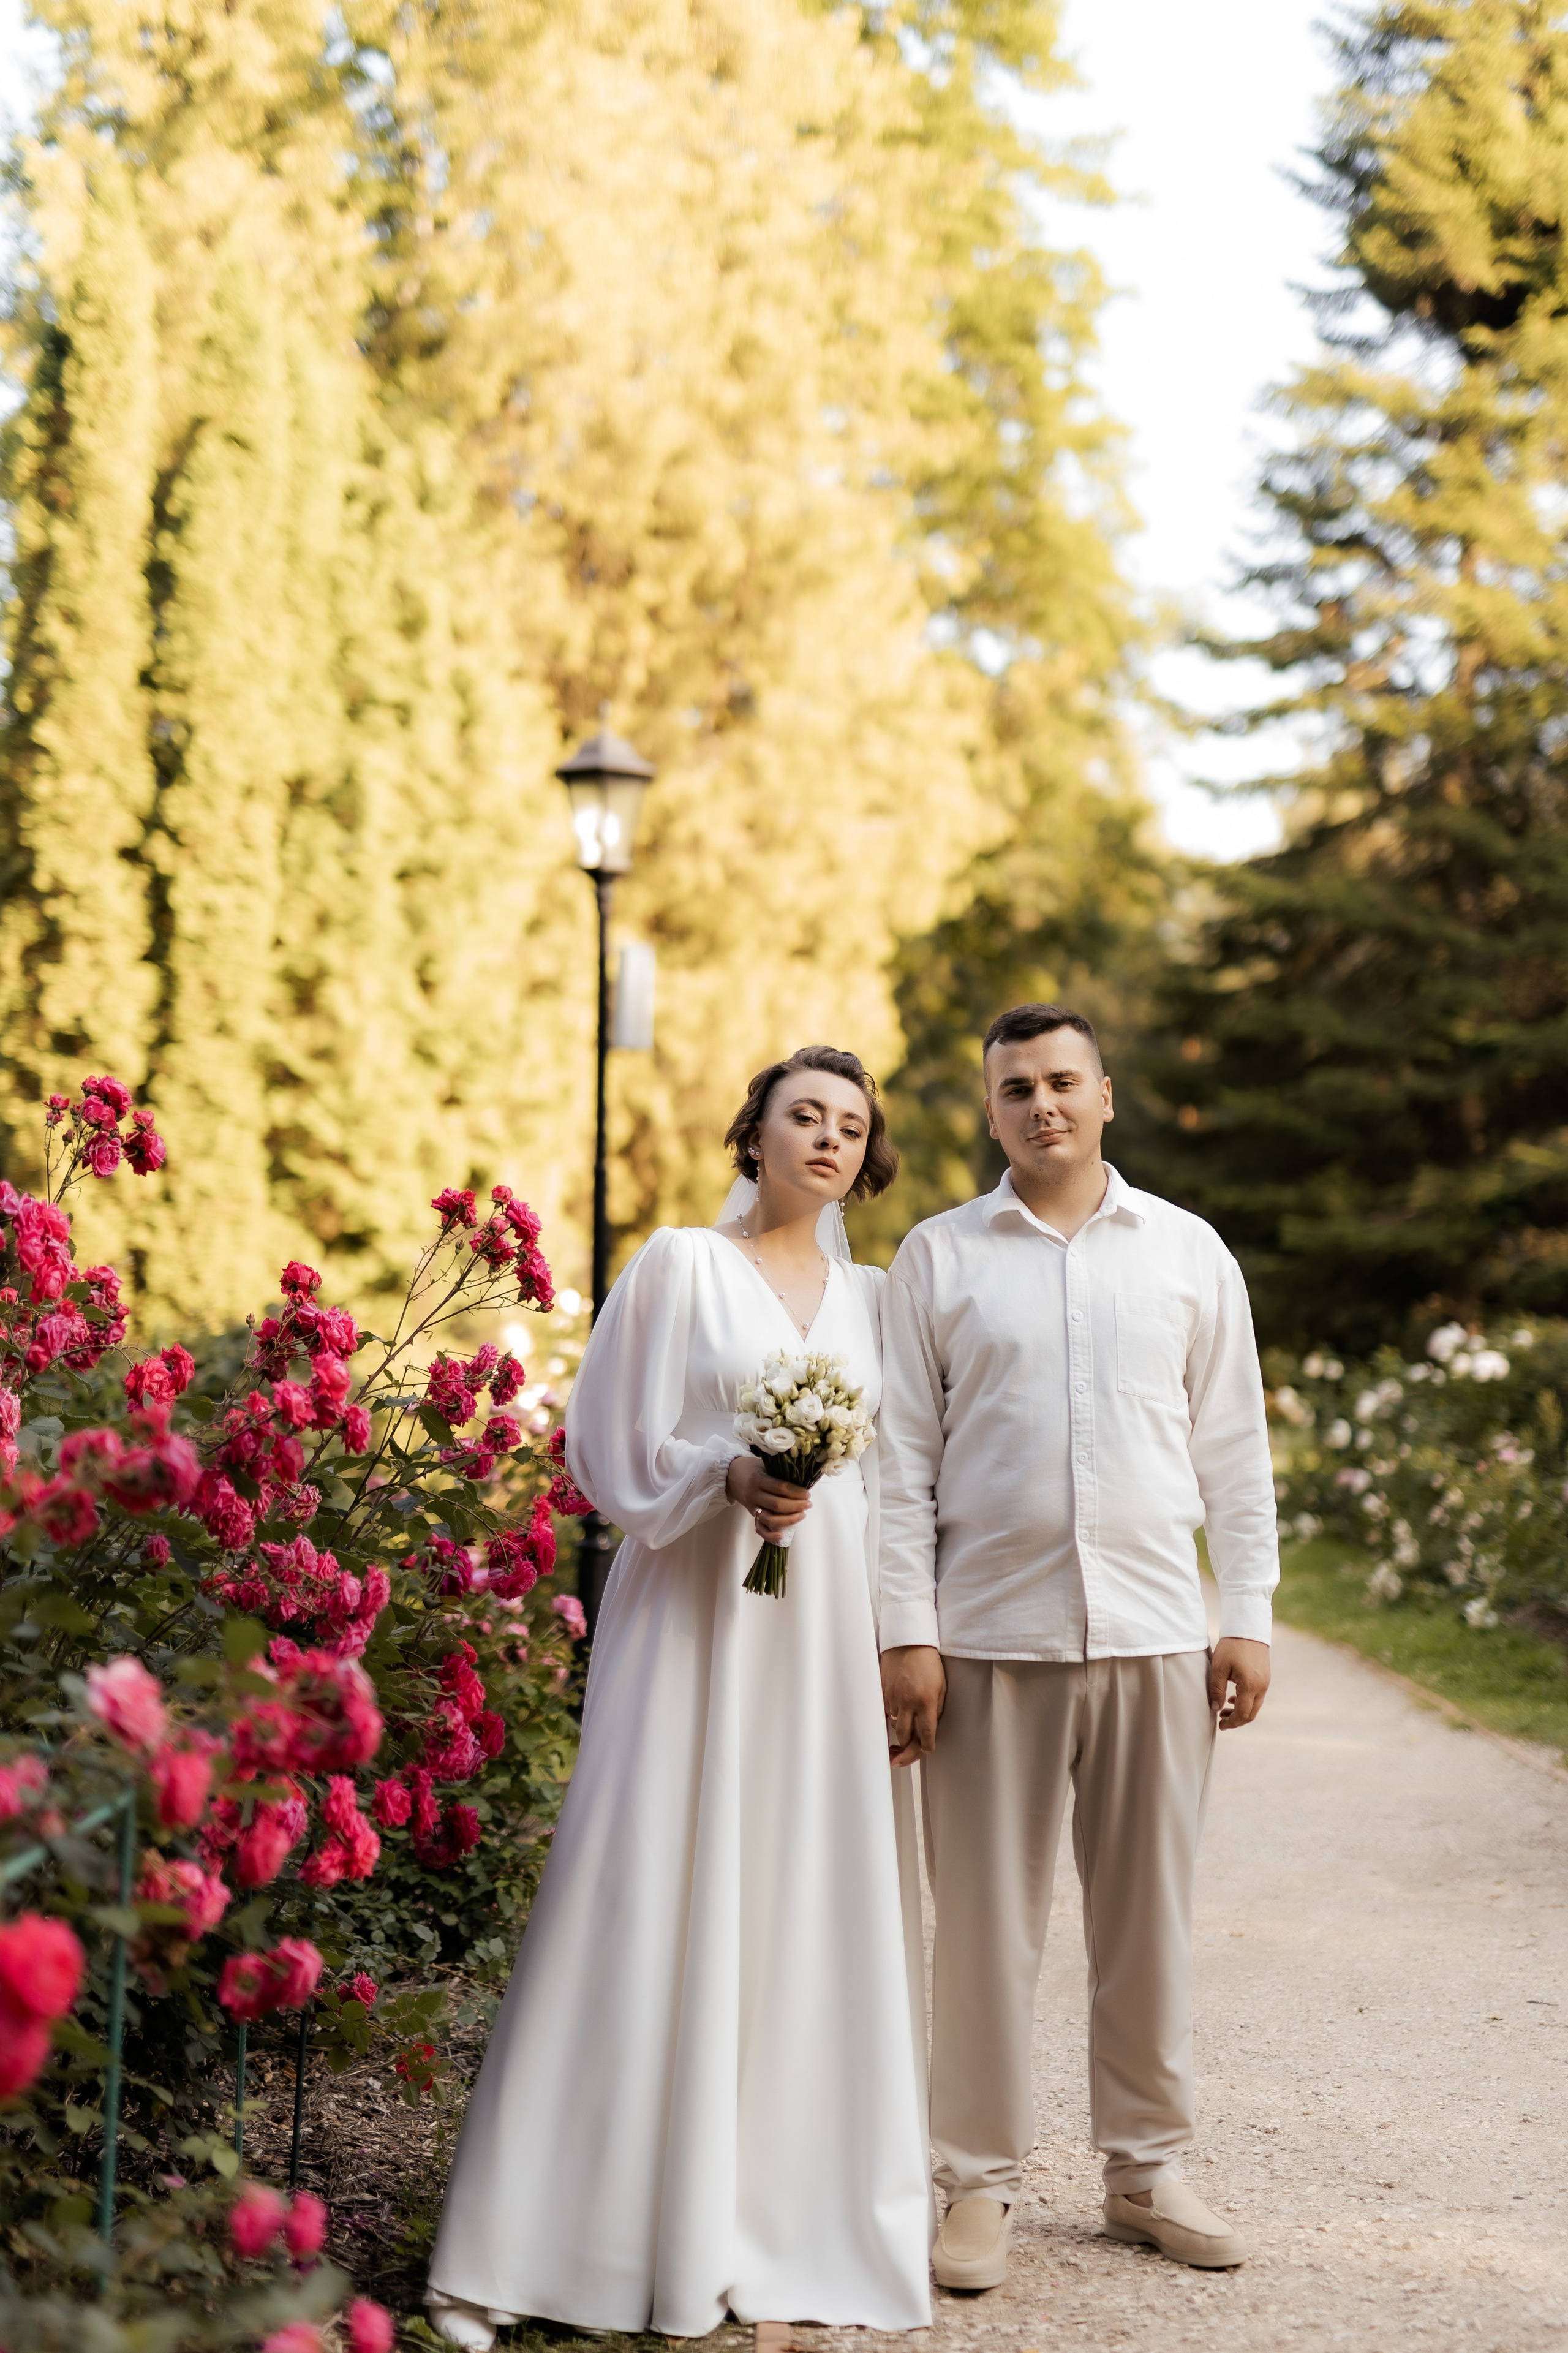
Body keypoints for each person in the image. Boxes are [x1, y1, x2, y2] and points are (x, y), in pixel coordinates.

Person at [425, 1046, 931, 2352]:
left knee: (796, 1900)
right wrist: (724, 1471)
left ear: (863, 1157)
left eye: (848, 1124)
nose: (824, 1136)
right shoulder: (677, 1268)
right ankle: (538, 2238)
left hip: (815, 1641)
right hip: (692, 1622)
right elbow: (606, 1443)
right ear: (752, 1135)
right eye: (801, 1114)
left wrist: (896, 1638)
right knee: (642, 1885)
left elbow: (891, 1491)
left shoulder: (877, 1300)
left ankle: (776, 2216)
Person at [877, 1001, 1277, 2291]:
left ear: (1105, 1094)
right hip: (987, 1636)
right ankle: (975, 2184)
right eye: (1013, 1088)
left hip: (1158, 1631)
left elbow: (1233, 1449)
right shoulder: (936, 1260)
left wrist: (1247, 1614)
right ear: (988, 1111)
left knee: (1145, 1920)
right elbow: (897, 1467)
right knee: (983, 1928)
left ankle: (1145, 2169)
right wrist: (905, 1634)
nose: (1039, 1103)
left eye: (1060, 1081)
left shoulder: (1185, 1251)